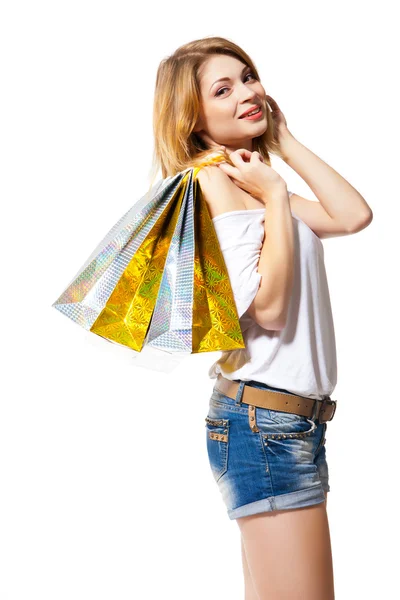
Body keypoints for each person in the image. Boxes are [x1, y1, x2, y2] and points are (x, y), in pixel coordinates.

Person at [152, 36, 373, 600]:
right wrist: (275, 197)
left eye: (248, 77)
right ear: (192, 116)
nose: (247, 92)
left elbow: (352, 216)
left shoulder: (250, 179)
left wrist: (285, 143)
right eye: (222, 89)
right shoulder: (214, 182)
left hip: (290, 423)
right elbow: (269, 311)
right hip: (263, 426)